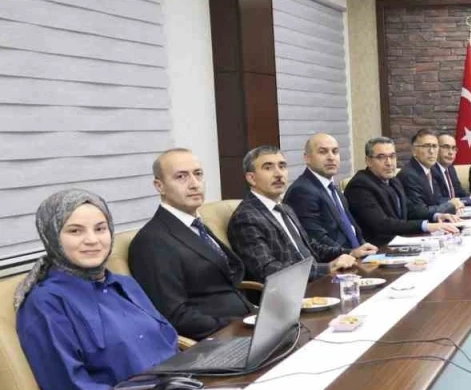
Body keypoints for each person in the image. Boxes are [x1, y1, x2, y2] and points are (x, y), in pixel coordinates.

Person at [15, 189, 179, 390]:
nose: (92, 240)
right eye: (75, 231)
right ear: (52, 237)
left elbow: (169, 340)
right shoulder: (46, 303)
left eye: (100, 229)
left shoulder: (125, 284)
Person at [130, 148, 254, 340]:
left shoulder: (196, 225)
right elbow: (175, 316)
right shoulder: (151, 241)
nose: (194, 184)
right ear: (159, 186)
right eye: (181, 177)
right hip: (217, 339)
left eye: (198, 174)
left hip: (247, 320)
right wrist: (238, 326)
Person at [227, 146, 362, 282]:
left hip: (317, 280)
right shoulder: (246, 217)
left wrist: (350, 252)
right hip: (292, 290)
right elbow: (267, 270)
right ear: (251, 178)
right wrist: (326, 269)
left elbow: (311, 247)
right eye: (268, 168)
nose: (278, 174)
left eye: (282, 166)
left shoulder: (285, 208)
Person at [346, 137, 461, 245]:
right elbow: (382, 224)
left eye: (392, 156)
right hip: (379, 249)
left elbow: (411, 211)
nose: (389, 163)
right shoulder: (360, 186)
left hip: (401, 242)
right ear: (368, 161)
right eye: (381, 157)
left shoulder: (393, 181)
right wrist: (427, 226)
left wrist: (436, 216)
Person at [283, 133, 377, 259]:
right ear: (307, 158)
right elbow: (317, 240)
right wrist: (351, 253)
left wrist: (364, 246)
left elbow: (351, 227)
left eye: (335, 152)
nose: (331, 157)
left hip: (358, 258)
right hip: (335, 263)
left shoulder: (331, 187)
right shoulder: (302, 191)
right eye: (323, 152)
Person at [397, 130, 462, 220]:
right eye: (426, 146)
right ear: (414, 151)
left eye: (434, 146)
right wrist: (450, 205)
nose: (431, 151)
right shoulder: (409, 175)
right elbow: (419, 212)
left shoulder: (431, 170)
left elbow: (437, 200)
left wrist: (454, 203)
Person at [432, 133, 471, 208]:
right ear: (436, 148)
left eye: (454, 148)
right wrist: (470, 200)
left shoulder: (450, 168)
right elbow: (438, 201)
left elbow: (459, 192)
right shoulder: (431, 171)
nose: (451, 152)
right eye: (446, 147)